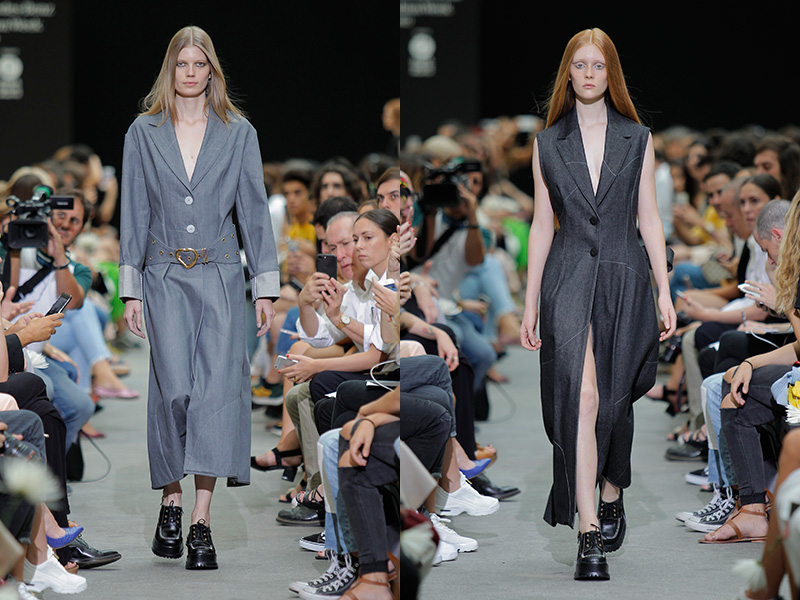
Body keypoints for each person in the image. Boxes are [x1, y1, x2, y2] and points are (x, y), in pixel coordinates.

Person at [118, 25, 279, 570]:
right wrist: (131, 291)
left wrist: (265, 287)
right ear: (171, 69)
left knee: (215, 396)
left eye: (199, 64)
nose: (190, 73)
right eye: (182, 64)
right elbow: (134, 211)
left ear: (212, 70)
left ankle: (200, 521)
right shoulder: (143, 132)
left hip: (221, 275)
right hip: (164, 275)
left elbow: (253, 210)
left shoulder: (238, 132)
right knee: (175, 393)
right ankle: (170, 497)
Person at [519, 28, 675, 580]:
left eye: (599, 65)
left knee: (614, 402)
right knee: (581, 397)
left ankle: (613, 486)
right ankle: (588, 532)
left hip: (623, 274)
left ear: (612, 74)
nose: (589, 74)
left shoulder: (638, 138)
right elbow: (542, 224)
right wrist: (530, 301)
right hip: (566, 277)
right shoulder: (546, 143)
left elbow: (649, 217)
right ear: (568, 72)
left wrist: (664, 289)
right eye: (580, 65)